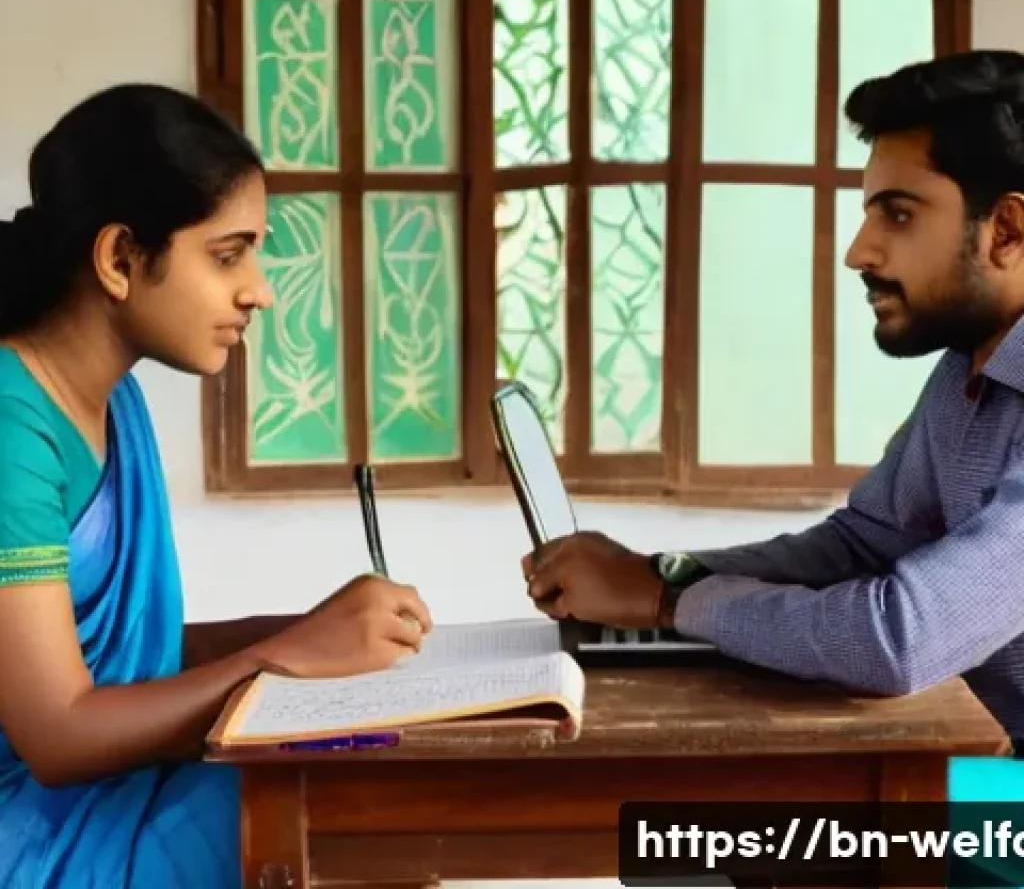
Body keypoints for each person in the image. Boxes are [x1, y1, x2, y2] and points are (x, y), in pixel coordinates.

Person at [522, 49, 1024, 755]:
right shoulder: (966, 367)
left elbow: (898, 639)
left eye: (899, 215)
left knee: (763, 830)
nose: (859, 251)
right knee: (747, 828)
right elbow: (865, 543)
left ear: (1004, 230)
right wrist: (661, 573)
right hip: (1001, 775)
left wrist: (669, 604)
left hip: (1008, 803)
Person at [0, 83, 433, 887]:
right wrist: (288, 654)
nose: (259, 289)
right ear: (121, 258)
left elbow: (138, 658)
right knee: (355, 827)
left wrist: (317, 633)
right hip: (36, 829)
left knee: (375, 799)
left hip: (121, 790)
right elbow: (57, 736)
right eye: (228, 255)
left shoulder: (113, 397)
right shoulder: (9, 426)